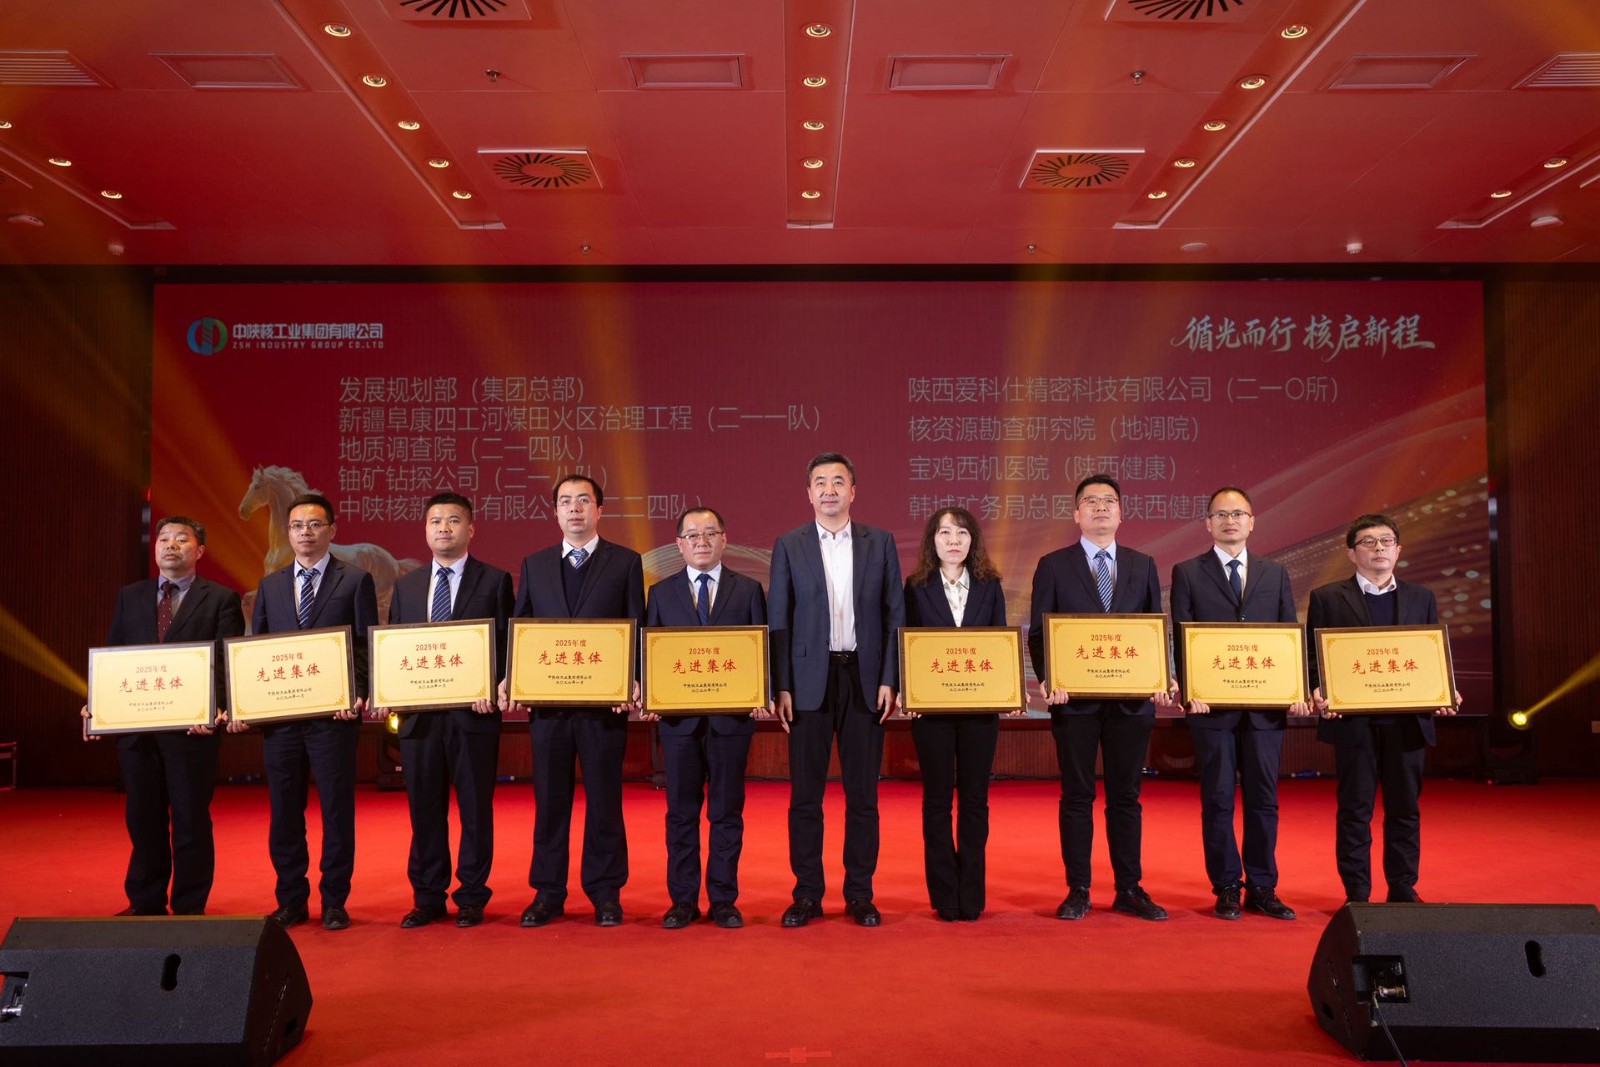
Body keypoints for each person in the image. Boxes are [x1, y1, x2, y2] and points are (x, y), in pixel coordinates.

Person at [1027, 473, 1176, 922]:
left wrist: (1159, 674)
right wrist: (1051, 678)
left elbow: (1154, 629)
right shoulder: (1054, 564)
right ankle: (1078, 889)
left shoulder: (1142, 564)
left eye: (1109, 501)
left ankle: (1129, 888)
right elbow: (1039, 634)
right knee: (1077, 795)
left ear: (1121, 512)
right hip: (1075, 702)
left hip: (1131, 703)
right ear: (1076, 514)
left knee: (1126, 797)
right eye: (1090, 502)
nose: (1100, 508)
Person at [769, 452, 905, 928]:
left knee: (862, 796)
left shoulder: (879, 542)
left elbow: (894, 614)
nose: (829, 490)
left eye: (838, 482)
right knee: (805, 796)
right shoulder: (789, 544)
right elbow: (779, 619)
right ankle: (806, 894)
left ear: (853, 491)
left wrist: (890, 677)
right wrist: (781, 684)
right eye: (820, 482)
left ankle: (860, 894)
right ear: (808, 493)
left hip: (864, 680)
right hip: (807, 683)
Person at [503, 474, 645, 928]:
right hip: (549, 709)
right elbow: (522, 628)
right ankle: (548, 892)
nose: (575, 508)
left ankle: (606, 893)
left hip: (604, 707)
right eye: (566, 501)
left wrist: (634, 680)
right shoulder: (536, 564)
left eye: (584, 500)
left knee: (605, 800)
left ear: (599, 510)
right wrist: (514, 679)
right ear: (556, 512)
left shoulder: (625, 562)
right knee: (549, 801)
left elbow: (637, 626)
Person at [86, 516, 245, 916]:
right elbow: (114, 656)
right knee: (142, 819)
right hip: (138, 733)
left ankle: (190, 907)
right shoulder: (131, 596)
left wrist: (214, 708)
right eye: (164, 538)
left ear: (200, 551)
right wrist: (97, 703)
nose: (170, 545)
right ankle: (145, 902)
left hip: (192, 732)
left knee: (190, 821)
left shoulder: (221, 598)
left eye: (181, 539)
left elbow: (227, 662)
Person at [235, 492, 378, 931]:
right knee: (284, 813)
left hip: (333, 720)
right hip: (281, 723)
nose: (305, 533)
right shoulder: (271, 585)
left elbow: (364, 644)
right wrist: (247, 702)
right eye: (297, 526)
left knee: (336, 812)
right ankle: (291, 900)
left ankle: (334, 900)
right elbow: (258, 650)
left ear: (332, 530)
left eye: (315, 525)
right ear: (288, 531)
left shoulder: (355, 580)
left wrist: (358, 692)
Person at [1170, 487, 1309, 922]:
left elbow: (1288, 635)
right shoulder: (1187, 572)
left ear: (1252, 521)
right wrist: (1189, 688)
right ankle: (1227, 885)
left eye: (1238, 514)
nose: (1230, 521)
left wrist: (1296, 688)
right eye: (1221, 514)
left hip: (1265, 708)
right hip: (1211, 707)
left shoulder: (1275, 573)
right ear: (1207, 524)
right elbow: (1182, 635)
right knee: (1217, 799)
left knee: (1264, 799)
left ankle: (1263, 886)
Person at [378, 492, 513, 929]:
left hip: (473, 715)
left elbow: (506, 646)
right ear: (425, 529)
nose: (443, 528)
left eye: (453, 521)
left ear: (470, 529)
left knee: (475, 809)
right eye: (435, 521)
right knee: (424, 809)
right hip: (420, 718)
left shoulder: (495, 581)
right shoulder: (408, 585)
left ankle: (472, 896)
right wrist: (388, 690)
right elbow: (396, 648)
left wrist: (496, 685)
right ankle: (428, 896)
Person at [1309, 513, 1459, 904]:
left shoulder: (1421, 597)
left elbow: (1429, 655)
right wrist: (1318, 689)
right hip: (1353, 723)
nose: (1379, 548)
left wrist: (1445, 690)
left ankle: (1403, 888)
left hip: (1407, 723)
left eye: (1386, 541)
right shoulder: (1327, 598)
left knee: (1405, 809)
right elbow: (1313, 658)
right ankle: (1357, 893)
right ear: (1351, 553)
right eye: (1368, 542)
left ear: (1398, 550)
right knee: (1354, 810)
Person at [642, 507, 769, 930]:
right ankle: (682, 900)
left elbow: (760, 651)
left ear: (724, 540)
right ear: (679, 544)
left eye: (710, 533)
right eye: (692, 535)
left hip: (731, 722)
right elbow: (651, 653)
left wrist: (761, 691)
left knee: (726, 812)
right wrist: (650, 691)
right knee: (681, 813)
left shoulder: (748, 590)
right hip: (678, 724)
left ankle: (723, 900)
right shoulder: (661, 594)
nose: (702, 541)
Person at [900, 507, 1012, 922]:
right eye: (944, 533)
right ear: (932, 540)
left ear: (972, 541)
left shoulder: (989, 585)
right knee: (936, 801)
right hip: (932, 712)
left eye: (961, 533)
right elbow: (906, 643)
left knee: (975, 801)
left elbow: (1000, 642)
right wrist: (908, 690)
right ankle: (945, 894)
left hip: (980, 711)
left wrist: (1007, 689)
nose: (953, 540)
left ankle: (972, 893)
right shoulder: (916, 587)